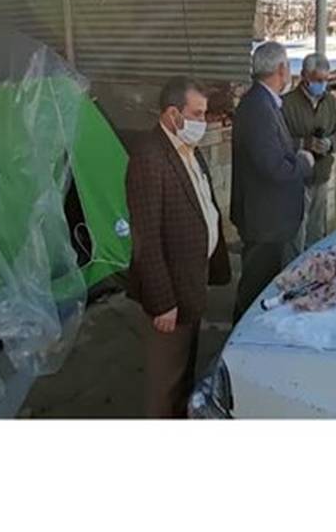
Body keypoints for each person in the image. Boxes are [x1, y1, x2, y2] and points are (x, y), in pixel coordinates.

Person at [125, 76, 231, 418]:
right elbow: (146, 239)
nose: (204, 122)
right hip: (170, 294)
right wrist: (163, 303)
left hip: (191, 282)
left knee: (185, 371)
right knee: (166, 383)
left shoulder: (188, 151)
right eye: (197, 114)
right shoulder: (149, 158)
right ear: (173, 114)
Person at [230, 41, 314, 321]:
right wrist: (303, 162)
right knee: (255, 290)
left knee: (263, 285)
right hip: (264, 219)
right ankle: (242, 338)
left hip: (268, 216)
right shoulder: (258, 108)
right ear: (281, 69)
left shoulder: (264, 103)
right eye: (288, 66)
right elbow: (273, 167)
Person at [282, 52, 336, 253]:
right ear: (305, 76)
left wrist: (329, 143)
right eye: (317, 80)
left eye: (325, 80)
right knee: (294, 237)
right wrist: (306, 143)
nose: (322, 84)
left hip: (321, 176)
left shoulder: (330, 102)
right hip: (297, 179)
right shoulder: (286, 104)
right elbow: (278, 142)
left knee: (316, 235)